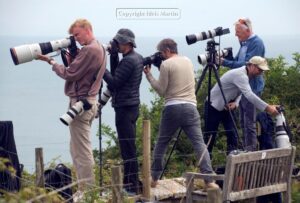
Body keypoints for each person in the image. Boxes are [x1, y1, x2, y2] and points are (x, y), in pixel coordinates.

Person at [37, 19, 106, 201]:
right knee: (76, 148)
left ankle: (88, 191)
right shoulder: (100, 47)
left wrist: (51, 61)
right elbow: (81, 70)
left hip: (81, 105)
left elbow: (70, 73)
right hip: (88, 102)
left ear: (87, 30)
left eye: (77, 34)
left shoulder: (90, 49)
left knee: (81, 150)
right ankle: (83, 187)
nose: (75, 39)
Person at [144, 38, 219, 190]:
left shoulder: (166, 64)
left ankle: (154, 178)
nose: (161, 56)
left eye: (161, 53)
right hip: (191, 107)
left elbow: (161, 90)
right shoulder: (188, 61)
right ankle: (209, 180)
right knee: (199, 143)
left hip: (172, 107)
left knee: (162, 143)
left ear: (166, 51)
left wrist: (149, 76)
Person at [205, 56, 279, 154]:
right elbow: (249, 95)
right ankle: (206, 164)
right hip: (213, 106)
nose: (261, 72)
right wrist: (268, 108)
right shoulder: (240, 75)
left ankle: (232, 160)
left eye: (262, 70)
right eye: (259, 69)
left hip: (227, 106)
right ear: (251, 66)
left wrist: (236, 103)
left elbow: (240, 92)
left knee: (232, 134)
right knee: (210, 136)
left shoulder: (246, 75)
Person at [103, 28, 143, 195]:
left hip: (125, 108)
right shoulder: (136, 57)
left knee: (127, 148)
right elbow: (117, 76)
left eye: (117, 43)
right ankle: (130, 181)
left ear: (126, 43)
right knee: (129, 146)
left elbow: (114, 83)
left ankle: (132, 185)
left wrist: (100, 67)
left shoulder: (128, 61)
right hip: (132, 106)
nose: (116, 45)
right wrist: (113, 56)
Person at [219, 17, 265, 151]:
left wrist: (224, 62)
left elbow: (246, 64)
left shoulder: (256, 43)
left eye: (238, 31)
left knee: (249, 122)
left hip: (252, 87)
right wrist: (228, 58)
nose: (236, 34)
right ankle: (247, 149)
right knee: (243, 122)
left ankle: (250, 152)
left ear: (248, 30)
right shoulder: (244, 43)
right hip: (243, 86)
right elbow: (238, 63)